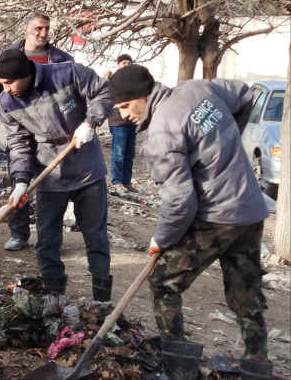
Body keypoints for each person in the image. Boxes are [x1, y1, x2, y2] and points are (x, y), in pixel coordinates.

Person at [109, 65, 272, 380]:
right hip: (250, 209)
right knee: (246, 295)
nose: (124, 115)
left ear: (143, 95)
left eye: (126, 106)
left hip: (217, 218)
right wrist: (227, 147)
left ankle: (179, 365)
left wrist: (160, 239)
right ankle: (258, 366)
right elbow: (244, 94)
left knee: (163, 282)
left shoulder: (160, 135)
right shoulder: (199, 89)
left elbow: (181, 203)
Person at [0, 48, 113, 300]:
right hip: (49, 176)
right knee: (47, 242)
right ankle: (54, 300)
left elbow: (105, 89)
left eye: (9, 83)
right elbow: (19, 145)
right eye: (2, 84)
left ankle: (102, 303)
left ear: (25, 74)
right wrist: (20, 182)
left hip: (87, 171)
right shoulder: (7, 103)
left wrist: (90, 122)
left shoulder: (67, 73)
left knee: (95, 237)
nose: (5, 89)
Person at [0, 12, 74, 251]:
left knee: (52, 186)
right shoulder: (8, 56)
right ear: (25, 30)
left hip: (52, 135)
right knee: (19, 181)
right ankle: (19, 234)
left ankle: (49, 238)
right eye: (38, 28)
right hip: (19, 131)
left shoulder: (61, 58)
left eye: (46, 29)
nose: (43, 33)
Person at [102, 54, 139, 195]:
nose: (127, 65)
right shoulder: (114, 80)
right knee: (119, 153)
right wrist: (106, 78)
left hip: (132, 122)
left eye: (129, 62)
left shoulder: (134, 81)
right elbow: (105, 91)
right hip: (118, 122)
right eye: (124, 62)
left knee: (130, 153)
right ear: (118, 64)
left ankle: (127, 182)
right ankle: (117, 182)